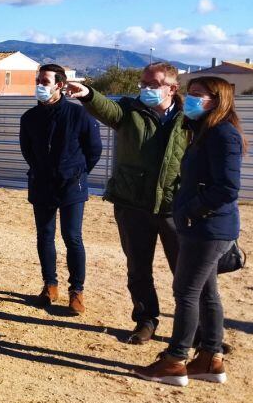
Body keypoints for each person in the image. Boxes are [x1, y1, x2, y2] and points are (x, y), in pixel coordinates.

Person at [64, 63, 188, 344]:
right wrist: (87, 94)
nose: (146, 89)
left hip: (174, 206)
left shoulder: (189, 118)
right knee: (138, 268)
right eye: (143, 83)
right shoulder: (130, 111)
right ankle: (145, 320)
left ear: (172, 88)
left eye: (153, 84)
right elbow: (108, 110)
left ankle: (198, 329)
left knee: (186, 272)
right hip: (133, 204)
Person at [135, 77, 245, 386]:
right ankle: (210, 359)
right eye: (189, 93)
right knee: (207, 293)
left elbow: (227, 188)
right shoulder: (205, 132)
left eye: (198, 95)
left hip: (208, 230)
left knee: (186, 292)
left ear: (217, 100)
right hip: (204, 227)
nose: (190, 100)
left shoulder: (223, 135)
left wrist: (191, 210)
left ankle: (176, 360)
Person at [20, 64, 102, 315]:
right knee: (44, 236)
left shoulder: (79, 115)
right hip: (41, 184)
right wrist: (39, 171)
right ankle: (49, 285)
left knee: (72, 237)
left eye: (44, 81)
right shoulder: (30, 117)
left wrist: (76, 172)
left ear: (59, 85)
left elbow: (94, 150)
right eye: (38, 80)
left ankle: (76, 291)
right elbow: (27, 150)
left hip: (71, 186)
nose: (39, 85)